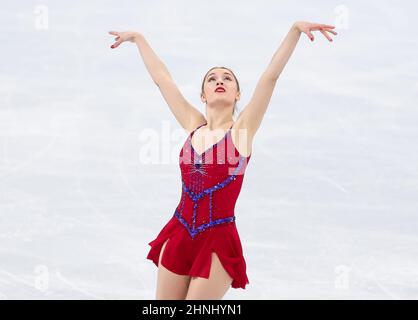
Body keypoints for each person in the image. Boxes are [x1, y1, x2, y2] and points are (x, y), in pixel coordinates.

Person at [108, 21, 337, 300]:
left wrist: (294, 31)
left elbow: (269, 78)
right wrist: (139, 39)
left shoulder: (241, 132)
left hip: (217, 242)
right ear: (203, 95)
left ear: (237, 94)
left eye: (227, 78)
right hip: (179, 232)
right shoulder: (193, 124)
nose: (220, 81)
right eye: (212, 78)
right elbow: (163, 80)